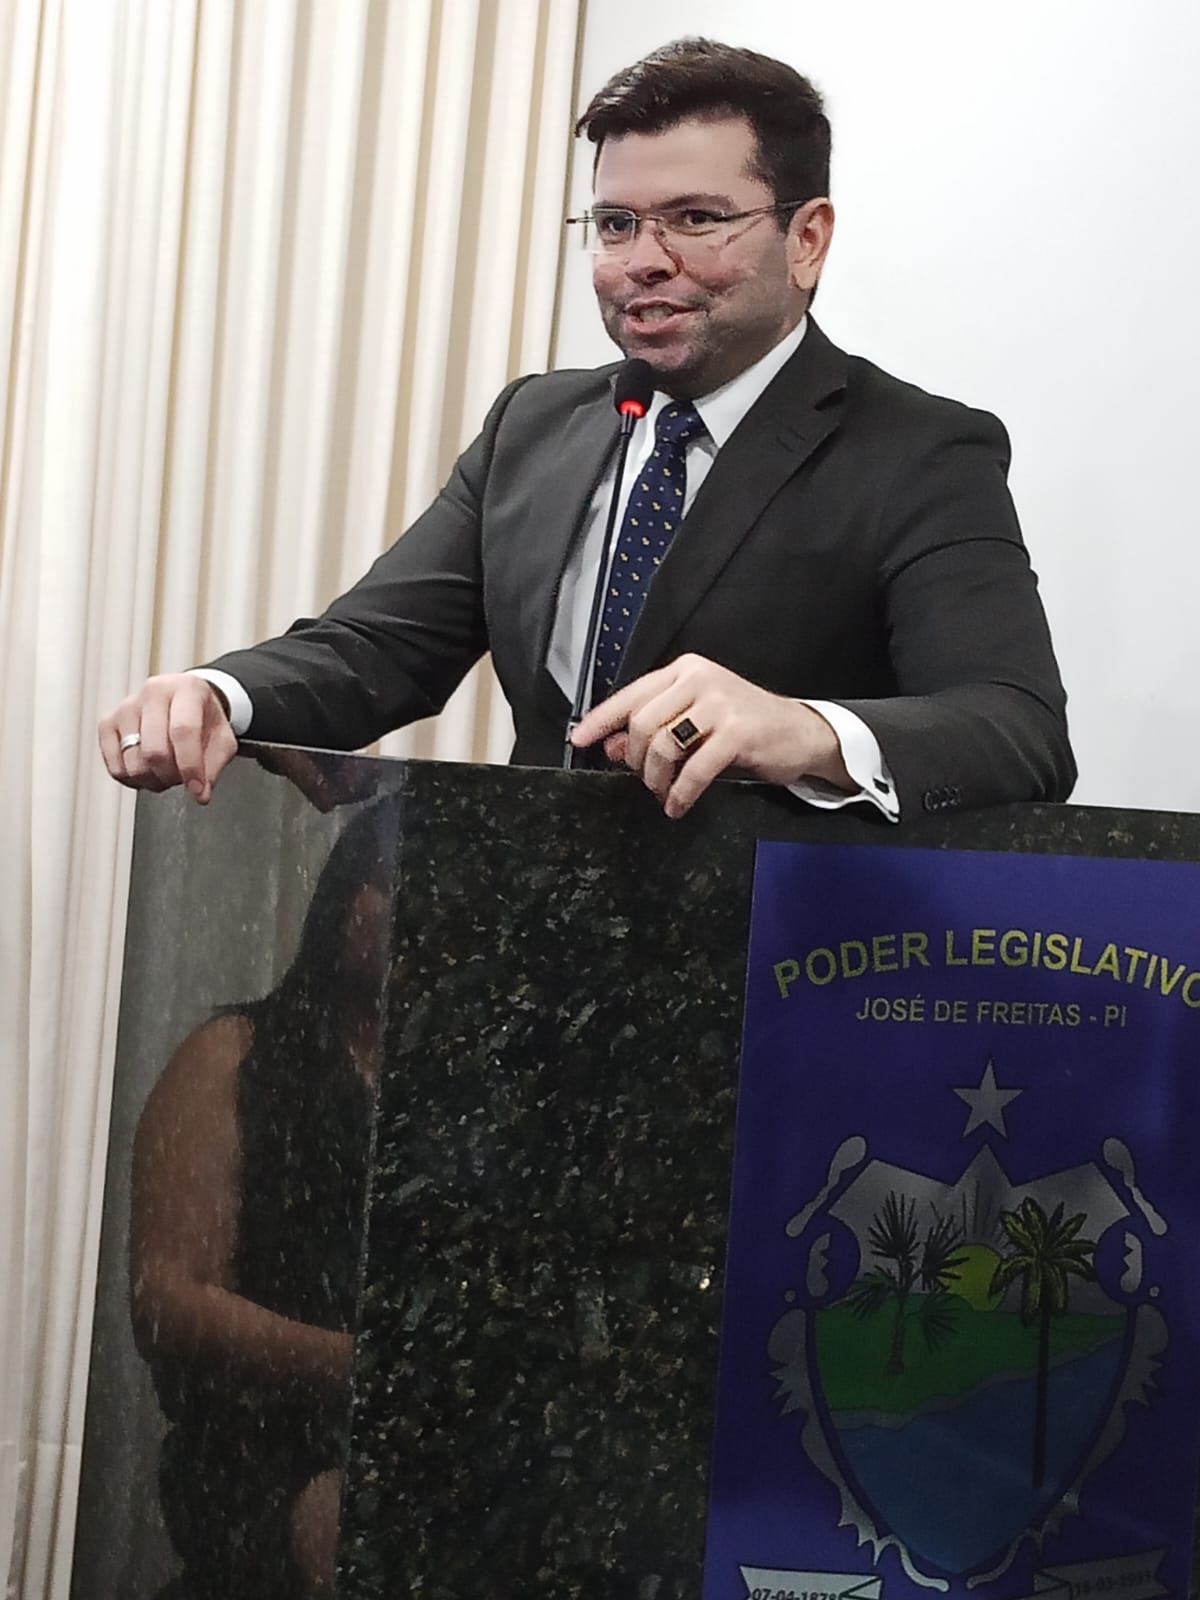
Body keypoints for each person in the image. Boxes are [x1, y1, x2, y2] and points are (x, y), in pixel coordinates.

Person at [99, 37, 1076, 822]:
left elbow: (1017, 730)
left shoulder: (920, 452)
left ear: (808, 238)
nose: (644, 259)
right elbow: (376, 651)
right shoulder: (535, 424)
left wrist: (805, 730)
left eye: (696, 218)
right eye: (616, 224)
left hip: (767, 959)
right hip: (529, 936)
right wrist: (215, 694)